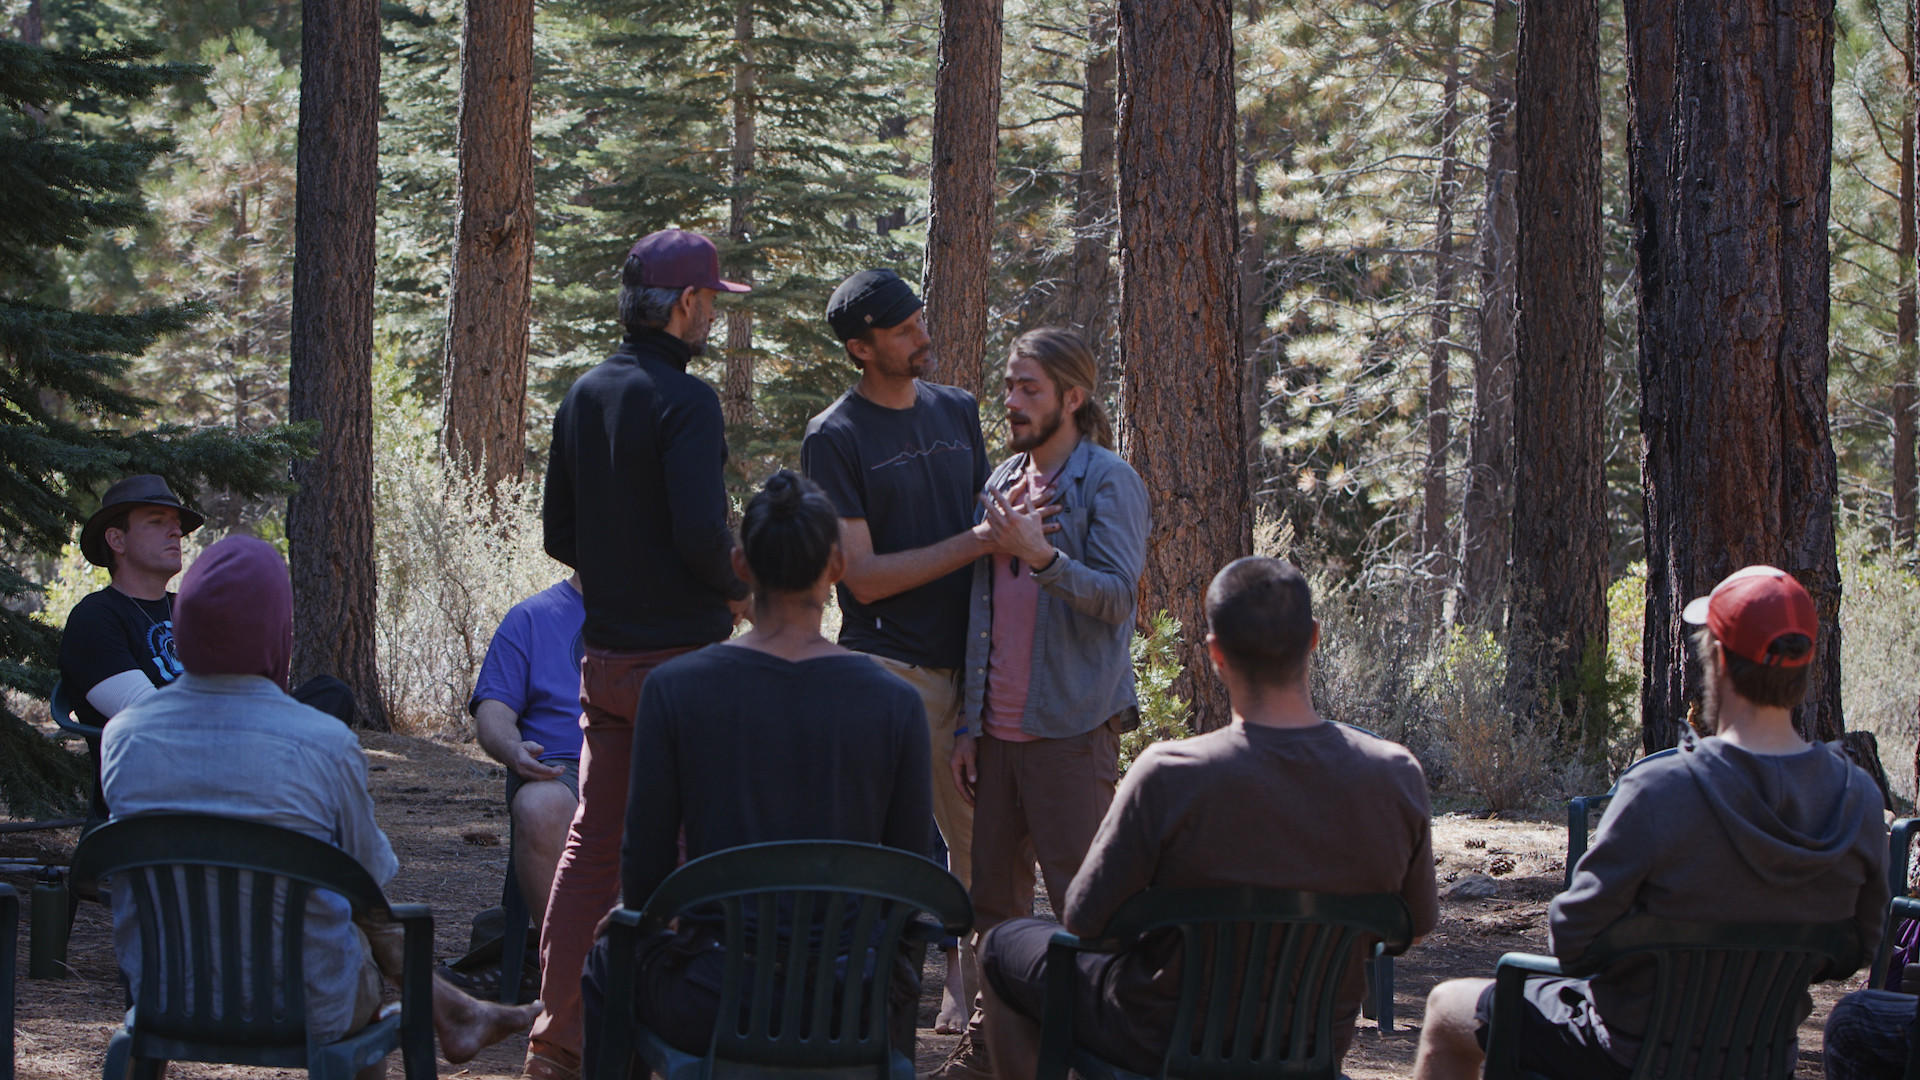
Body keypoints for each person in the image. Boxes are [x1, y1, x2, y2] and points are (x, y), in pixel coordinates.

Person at [1414, 565, 1888, 1080]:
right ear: (1805, 665)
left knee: (1446, 1008)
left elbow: (1570, 941)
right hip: (1763, 1060)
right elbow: (1858, 948)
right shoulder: (1858, 799)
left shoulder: (1660, 789)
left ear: (1719, 659)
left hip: (1625, 1053)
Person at [974, 556, 1438, 1078]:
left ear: (1215, 653)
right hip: (1311, 1046)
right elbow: (1416, 927)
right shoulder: (1395, 775)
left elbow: (1084, 921)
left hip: (1159, 1040)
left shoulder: (1170, 774)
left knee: (1001, 946)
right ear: (1313, 637)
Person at [99, 535, 540, 1072]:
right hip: (310, 1006)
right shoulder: (323, 741)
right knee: (359, 911)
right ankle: (453, 1010)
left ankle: (457, 1012)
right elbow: (370, 879)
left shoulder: (123, 736)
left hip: (165, 999)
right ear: (278, 630)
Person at [578, 470, 933, 1077]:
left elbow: (646, 863)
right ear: (836, 567)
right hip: (847, 1001)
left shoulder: (677, 690)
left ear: (740, 565)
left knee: (612, 957)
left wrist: (643, 917)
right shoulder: (895, 703)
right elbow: (909, 870)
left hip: (713, 996)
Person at [530, 228, 752, 1080]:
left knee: (595, 846)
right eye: (711, 301)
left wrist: (621, 570)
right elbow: (700, 534)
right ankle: (672, 1044)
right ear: (686, 303)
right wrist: (739, 591)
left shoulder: (584, 393)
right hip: (685, 668)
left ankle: (559, 1042)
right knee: (690, 854)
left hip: (607, 661)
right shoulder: (687, 402)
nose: (713, 316)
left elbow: (559, 534)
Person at [801, 269, 1027, 1033]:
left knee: (981, 842)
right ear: (861, 348)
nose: (921, 336)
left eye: (920, 319)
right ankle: (867, 1009)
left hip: (972, 665)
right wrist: (979, 540)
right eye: (902, 330)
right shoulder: (835, 436)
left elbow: (994, 526)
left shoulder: (956, 408)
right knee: (887, 844)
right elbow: (862, 579)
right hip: (887, 665)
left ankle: (977, 999)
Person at [937, 328, 1150, 1079]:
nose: (1013, 402)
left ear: (1072, 397)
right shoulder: (1001, 481)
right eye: (1009, 387)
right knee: (992, 910)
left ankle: (1099, 1055)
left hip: (1071, 730)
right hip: (996, 736)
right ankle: (992, 1056)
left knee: (1083, 908)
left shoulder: (1108, 481)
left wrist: (1044, 557)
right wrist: (969, 724)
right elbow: (982, 614)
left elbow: (1118, 597)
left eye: (1029, 388)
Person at [469, 572, 586, 931]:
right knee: (540, 806)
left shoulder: (663, 614)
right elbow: (494, 710)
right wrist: (511, 748)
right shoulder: (531, 617)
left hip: (646, 764)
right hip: (561, 769)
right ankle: (567, 957)